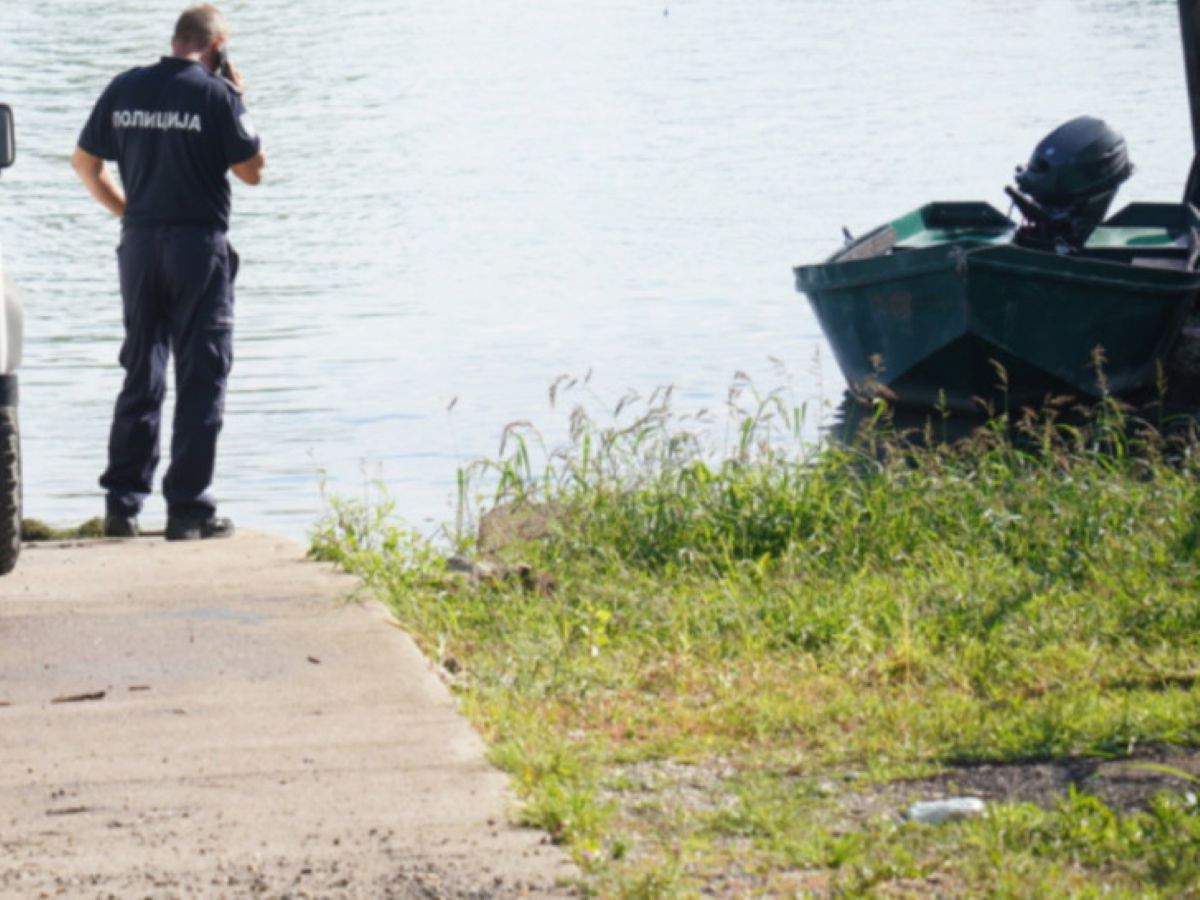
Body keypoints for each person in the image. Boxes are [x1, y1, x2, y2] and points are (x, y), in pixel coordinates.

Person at [71, 4, 265, 541]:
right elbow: (252, 171)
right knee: (202, 374)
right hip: (197, 249)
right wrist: (239, 98)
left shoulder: (125, 87)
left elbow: (84, 163)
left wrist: (129, 212)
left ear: (177, 39)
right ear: (217, 46)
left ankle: (122, 507)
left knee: (142, 367)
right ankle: (187, 510)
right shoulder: (218, 95)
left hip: (139, 247)